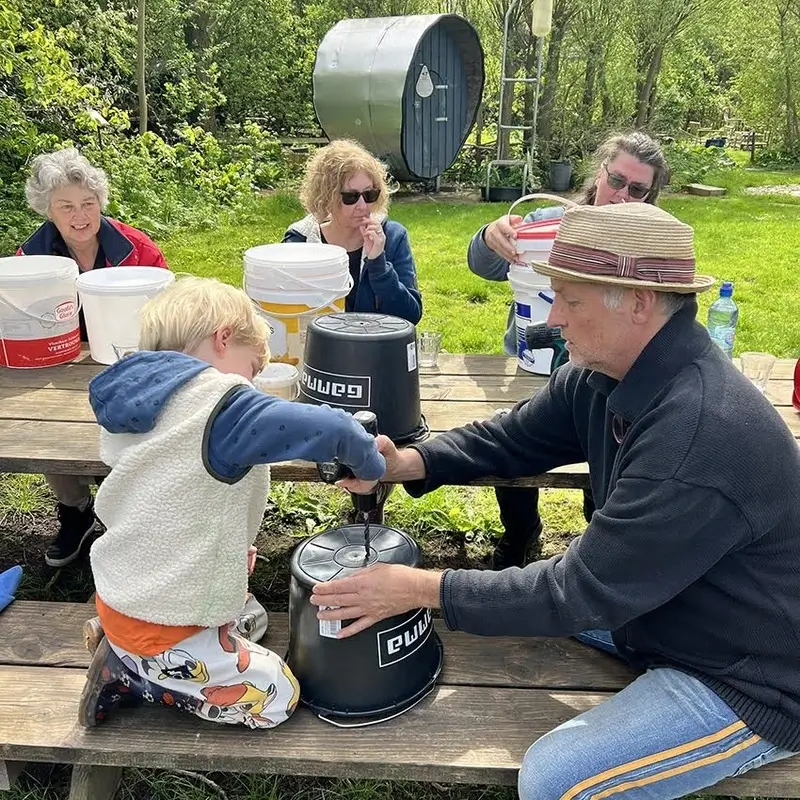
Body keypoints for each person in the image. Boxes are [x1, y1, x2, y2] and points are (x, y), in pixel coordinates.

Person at [312, 203, 800, 798]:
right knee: (496, 613)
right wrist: (408, 462)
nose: (553, 317)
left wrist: (420, 588)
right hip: (655, 610)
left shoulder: (700, 430)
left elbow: (579, 591)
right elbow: (513, 438)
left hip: (750, 675)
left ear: (639, 302)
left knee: (554, 779)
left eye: (570, 299)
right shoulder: (608, 371)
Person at [78, 277, 385, 729]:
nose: (252, 383)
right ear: (222, 339)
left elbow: (171, 497)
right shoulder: (218, 406)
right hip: (164, 626)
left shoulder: (137, 399)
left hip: (122, 594)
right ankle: (140, 677)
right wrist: (371, 466)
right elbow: (334, 429)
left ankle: (127, 646)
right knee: (279, 695)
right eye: (253, 368)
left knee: (252, 618)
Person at [468, 131, 670, 570]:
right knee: (512, 439)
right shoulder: (549, 222)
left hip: (606, 374)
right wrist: (489, 237)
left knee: (613, 449)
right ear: (599, 173)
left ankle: (600, 539)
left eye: (638, 190)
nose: (622, 196)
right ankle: (521, 532)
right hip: (533, 362)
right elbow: (483, 265)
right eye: (616, 180)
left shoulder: (652, 244)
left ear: (651, 196)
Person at [17, 147, 170, 569]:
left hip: (129, 363)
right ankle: (76, 511)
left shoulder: (137, 248)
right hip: (59, 369)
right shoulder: (31, 260)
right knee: (45, 422)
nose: (80, 215)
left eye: (88, 203)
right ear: (47, 210)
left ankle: (132, 516)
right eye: (66, 206)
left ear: (101, 201)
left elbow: (169, 312)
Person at [282, 139, 422, 324]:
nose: (362, 205)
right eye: (351, 197)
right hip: (317, 342)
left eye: (370, 194)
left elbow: (411, 316)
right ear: (326, 197)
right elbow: (281, 311)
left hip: (377, 341)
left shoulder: (392, 236)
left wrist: (379, 264)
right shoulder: (300, 242)